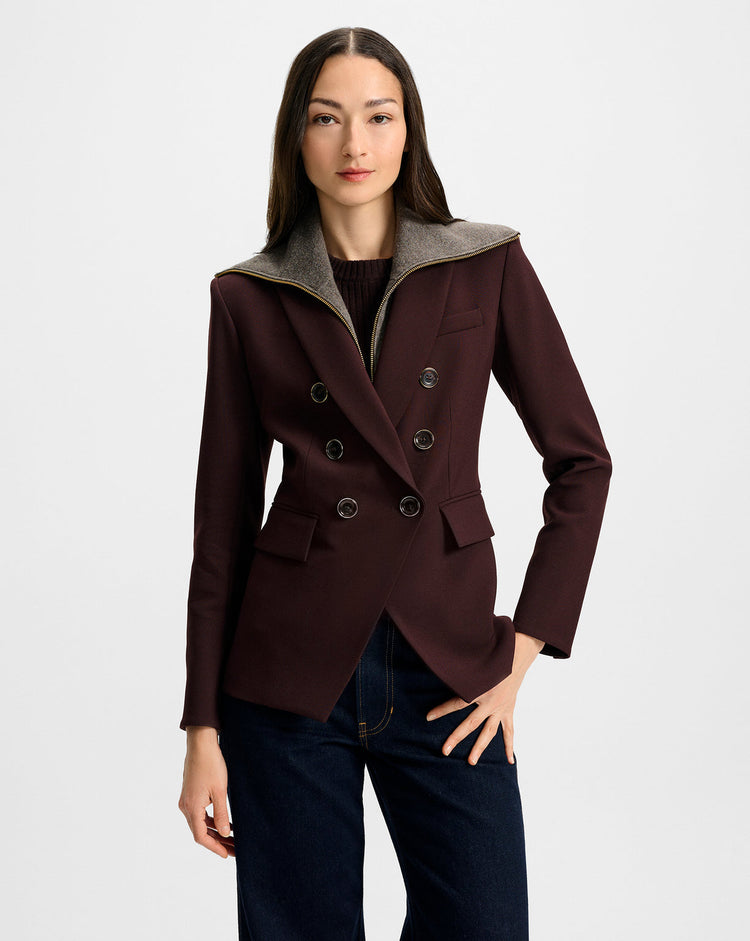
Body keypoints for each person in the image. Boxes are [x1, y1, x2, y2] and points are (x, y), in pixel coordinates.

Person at [178, 26, 612, 941]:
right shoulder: (248, 295)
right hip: (291, 671)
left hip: (448, 663)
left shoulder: (484, 264)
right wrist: (202, 728)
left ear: (409, 129)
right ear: (296, 136)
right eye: (326, 118)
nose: (355, 144)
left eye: (378, 116)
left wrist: (522, 651)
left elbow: (582, 461)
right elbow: (222, 521)